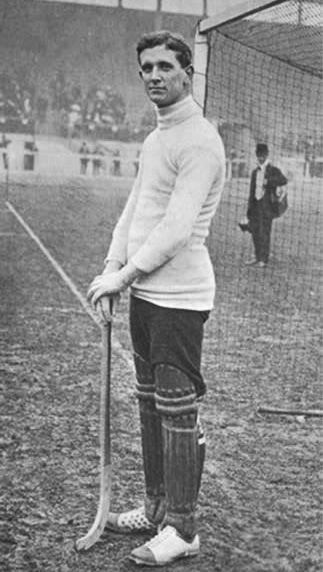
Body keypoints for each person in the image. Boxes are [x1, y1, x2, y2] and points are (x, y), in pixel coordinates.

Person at [87, 30, 226, 567]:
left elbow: (174, 228)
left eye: (165, 66)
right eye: (146, 67)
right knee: (149, 403)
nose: (154, 75)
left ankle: (184, 529)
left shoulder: (200, 139)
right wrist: (110, 267)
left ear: (187, 73)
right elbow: (135, 211)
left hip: (181, 298)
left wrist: (123, 277)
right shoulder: (154, 140)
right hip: (146, 293)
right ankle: (156, 508)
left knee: (176, 410)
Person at [245, 143, 288, 268]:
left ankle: (264, 259)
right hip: (256, 205)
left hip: (267, 206)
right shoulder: (254, 172)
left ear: (267, 155)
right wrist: (249, 209)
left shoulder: (273, 170)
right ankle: (257, 256)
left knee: (265, 232)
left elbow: (283, 180)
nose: (261, 158)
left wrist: (269, 182)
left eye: (263, 155)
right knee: (255, 231)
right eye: (259, 155)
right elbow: (252, 192)